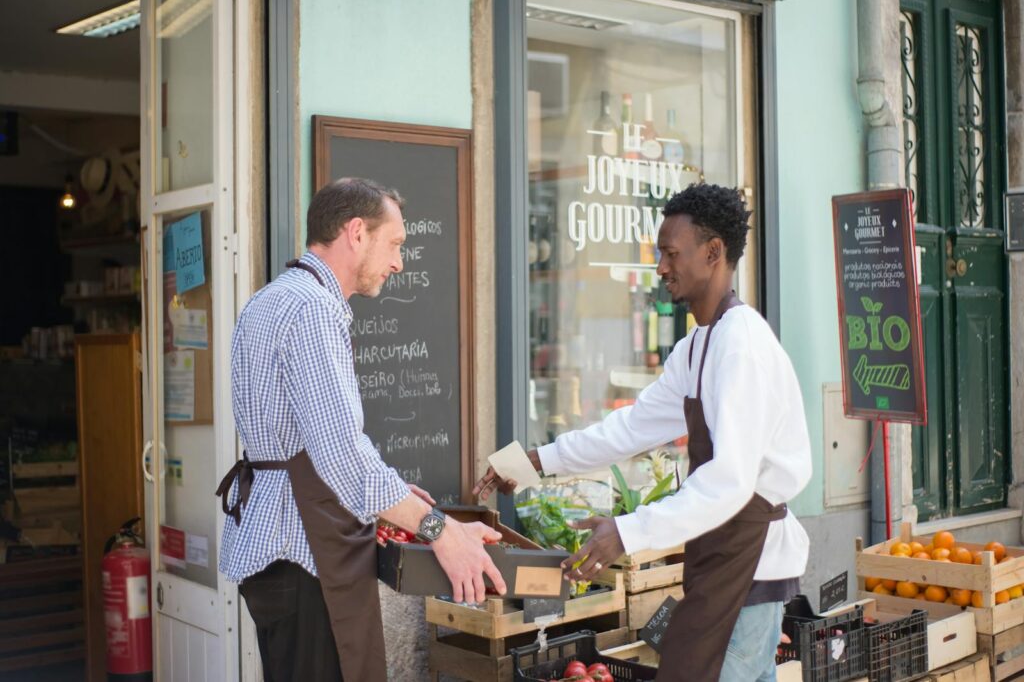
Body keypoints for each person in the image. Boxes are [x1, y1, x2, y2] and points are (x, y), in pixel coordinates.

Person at [475, 183, 811, 681]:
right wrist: (538, 461)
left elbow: (732, 481)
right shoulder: (699, 345)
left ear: (713, 253)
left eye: (672, 254)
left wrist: (627, 532)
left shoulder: (742, 346)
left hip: (751, 561)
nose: (661, 268)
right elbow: (630, 428)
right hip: (720, 553)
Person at [217, 177, 506, 682]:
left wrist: (392, 495)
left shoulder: (270, 298)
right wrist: (440, 531)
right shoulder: (314, 310)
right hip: (304, 550)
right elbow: (343, 459)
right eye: (394, 244)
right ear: (356, 232)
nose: (398, 262)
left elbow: (316, 444)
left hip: (278, 539)